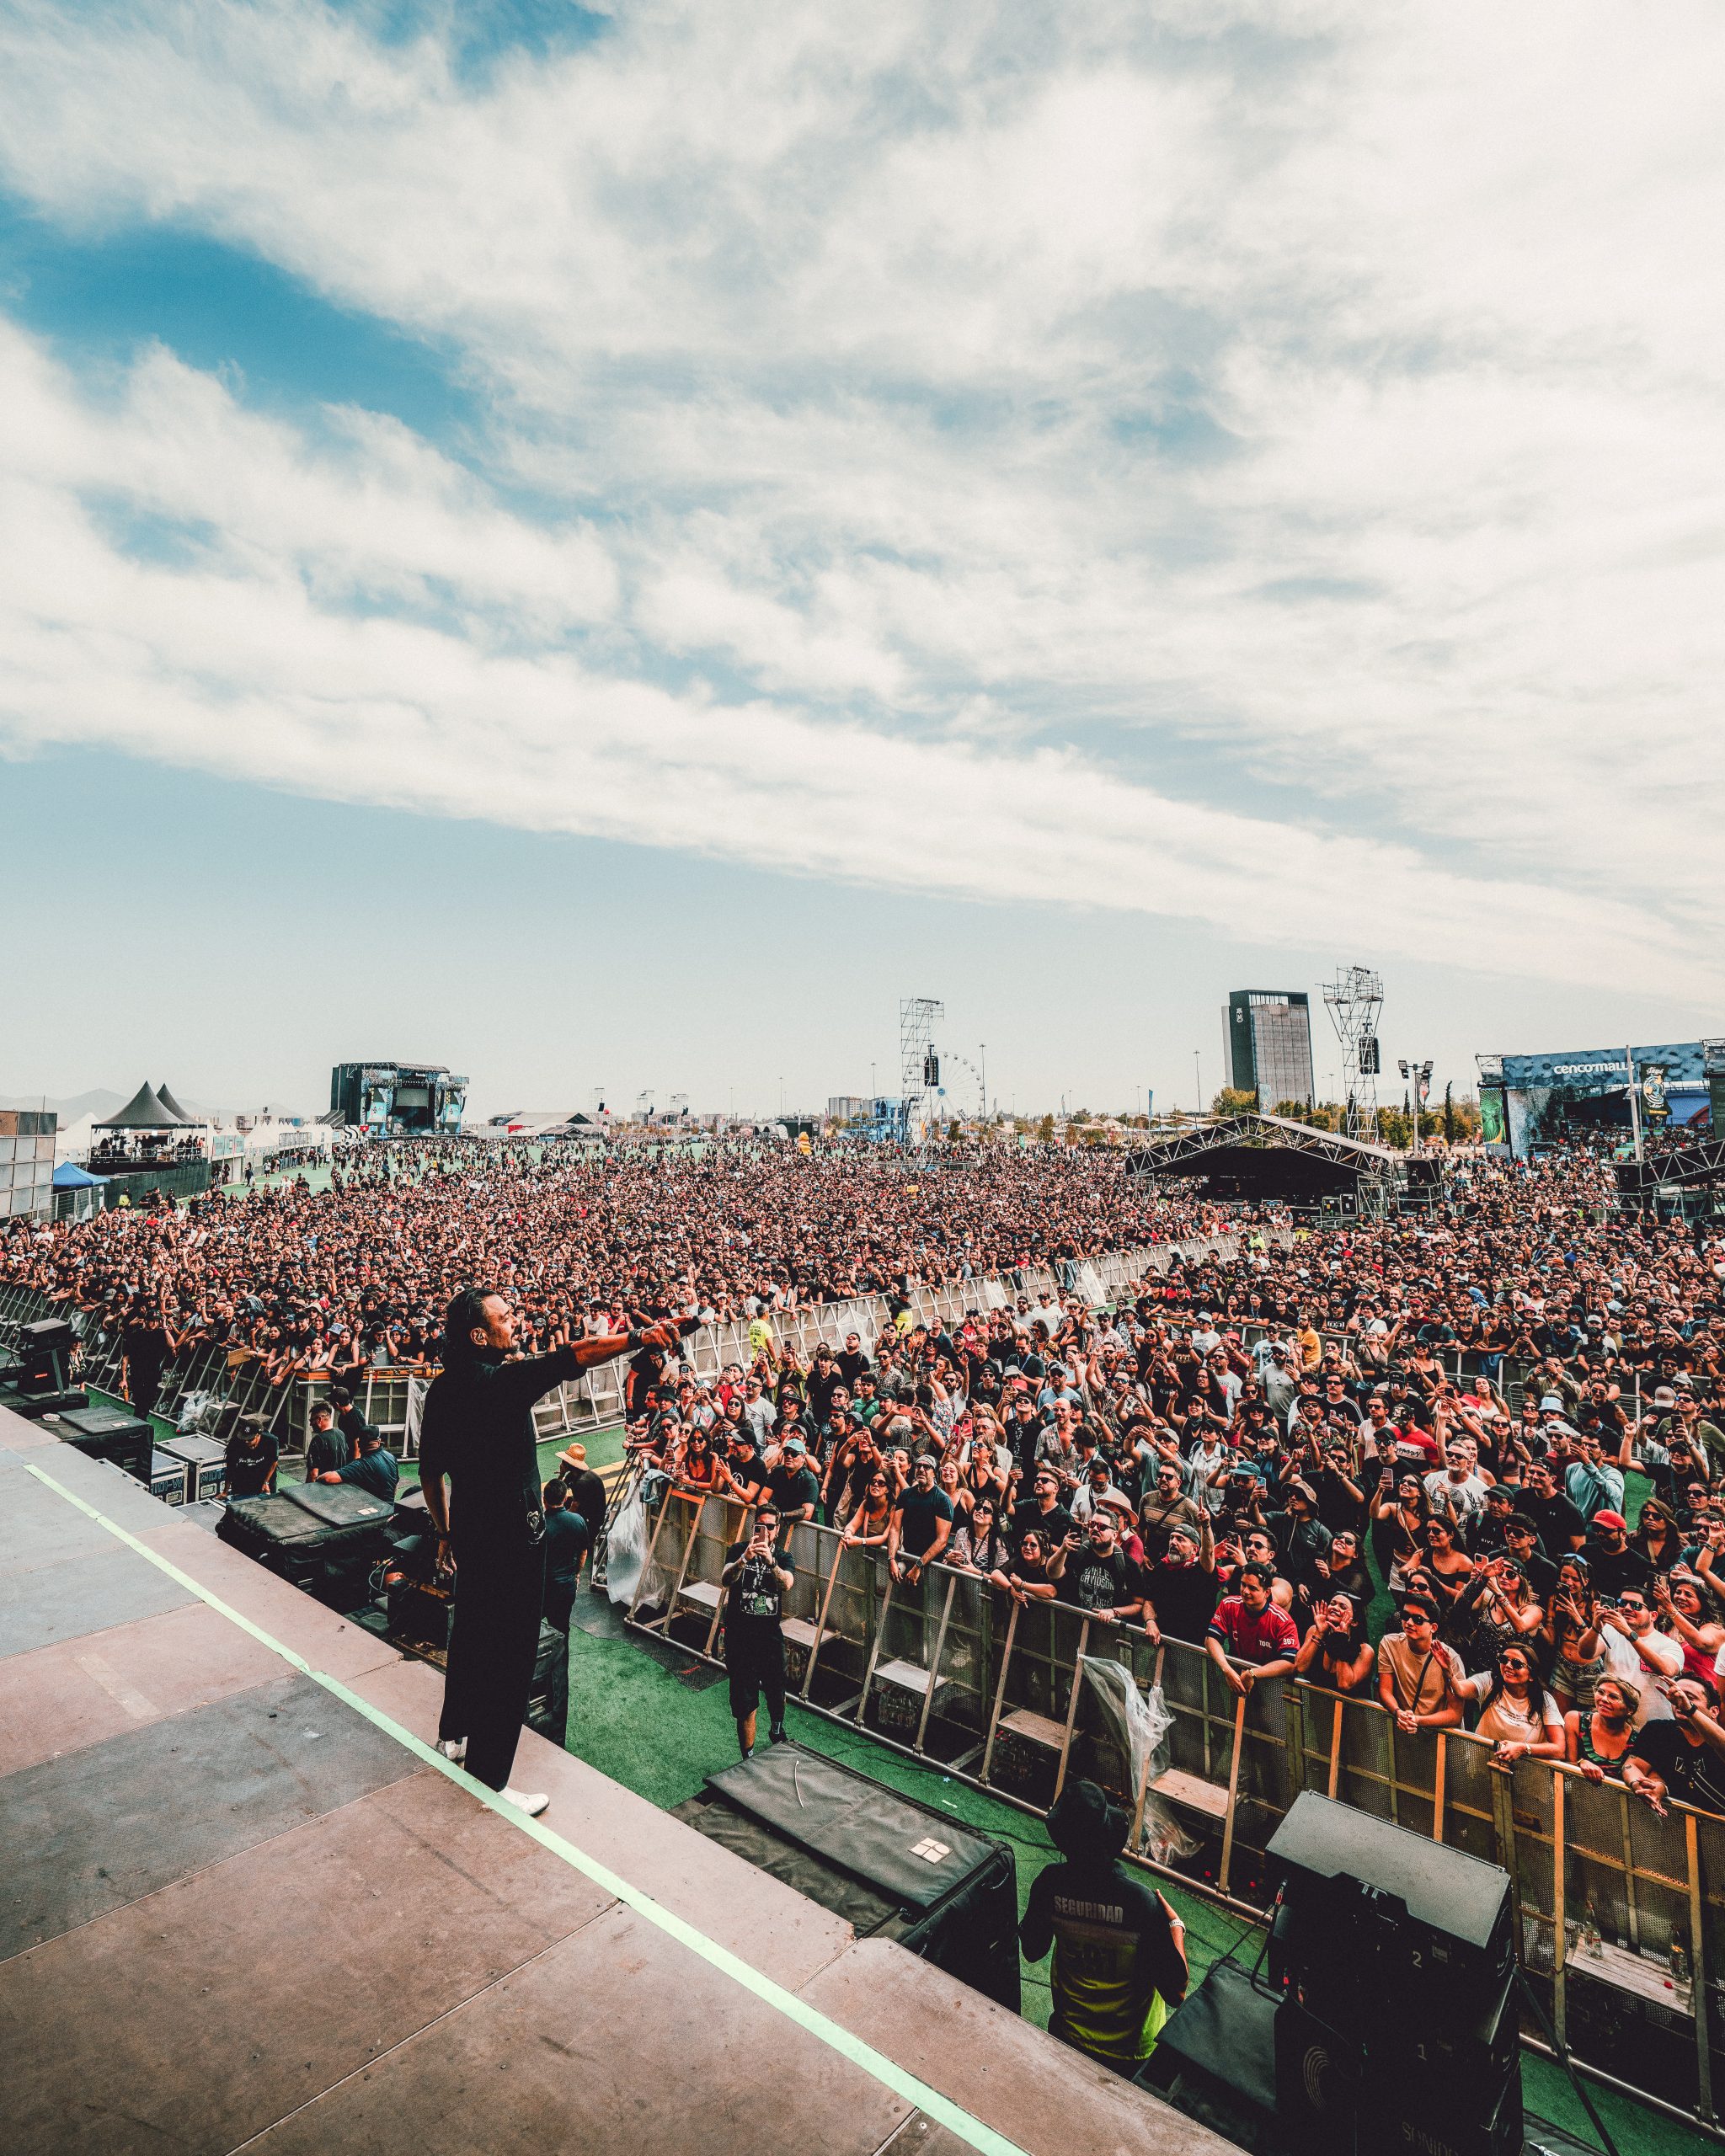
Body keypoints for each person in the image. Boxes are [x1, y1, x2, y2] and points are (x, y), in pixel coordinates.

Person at [418, 1286, 686, 1816]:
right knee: (512, 1658)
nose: (514, 1322)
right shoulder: (503, 1384)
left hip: (470, 1536)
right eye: (504, 1318)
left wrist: (446, 1535)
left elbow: (430, 1475)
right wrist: (640, 1336)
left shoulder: (443, 1390)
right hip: (515, 1544)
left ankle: (453, 1737)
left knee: (470, 1635)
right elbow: (574, 1356)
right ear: (479, 1335)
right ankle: (492, 1778)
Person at [1019, 1780, 1188, 2074]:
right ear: (1108, 1839)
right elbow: (1176, 1994)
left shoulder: (1050, 1884)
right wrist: (1175, 1927)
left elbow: (1033, 1951)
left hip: (1068, 2034)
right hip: (1129, 2054)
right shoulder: (1140, 1903)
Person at [721, 1502, 794, 1757]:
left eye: (770, 1527)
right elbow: (725, 1579)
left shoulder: (783, 1557)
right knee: (745, 1703)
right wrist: (744, 1560)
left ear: (777, 1530)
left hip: (769, 1638)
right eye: (760, 1526)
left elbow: (787, 1584)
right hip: (740, 1638)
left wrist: (771, 1563)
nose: (765, 1531)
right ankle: (748, 1758)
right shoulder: (738, 1550)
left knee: (777, 1690)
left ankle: (776, 1728)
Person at [1626, 1679, 1725, 1818]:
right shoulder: (1658, 1731)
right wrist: (1638, 1784)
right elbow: (1633, 1765)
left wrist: (1689, 1710)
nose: (1680, 1701)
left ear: (1714, 1711)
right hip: (1675, 1823)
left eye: (1689, 1697)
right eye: (1675, 1696)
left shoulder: (1719, 1740)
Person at [1205, 1564, 1300, 1697]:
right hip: (1236, 1679)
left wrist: (1253, 1673)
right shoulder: (1228, 1605)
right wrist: (1227, 1669)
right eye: (1243, 1584)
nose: (1245, 1591)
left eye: (1252, 1588)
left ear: (1267, 1593)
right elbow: (1211, 1639)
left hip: (1270, 1684)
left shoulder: (1282, 1620)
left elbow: (1290, 1663)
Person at [1375, 1596, 1465, 1735]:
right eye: (1405, 1616)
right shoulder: (1389, 1644)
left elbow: (1455, 1714)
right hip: (1405, 1729)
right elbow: (1385, 1690)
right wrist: (1398, 1713)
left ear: (1433, 1628)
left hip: (1440, 1735)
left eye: (1418, 1619)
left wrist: (1416, 1720)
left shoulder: (1450, 1658)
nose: (1409, 1623)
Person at [887, 1453, 954, 1584]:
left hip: (934, 1564)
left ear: (935, 1473)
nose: (921, 1469)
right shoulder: (906, 1494)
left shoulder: (942, 1499)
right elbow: (895, 1529)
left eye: (927, 1467)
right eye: (918, 1466)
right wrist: (892, 1559)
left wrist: (919, 1565)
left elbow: (942, 1540)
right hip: (909, 1557)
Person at [541, 1478, 590, 1629]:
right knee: (561, 1629)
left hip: (542, 1587)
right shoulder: (577, 1521)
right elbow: (583, 1552)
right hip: (566, 1588)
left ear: (544, 1500)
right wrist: (576, 1574)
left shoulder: (540, 1525)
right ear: (566, 1499)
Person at [315, 1423, 400, 1500]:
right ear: (379, 1441)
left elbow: (329, 1478)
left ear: (359, 1444)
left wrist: (317, 1478)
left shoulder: (361, 1465)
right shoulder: (391, 1457)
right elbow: (395, 1486)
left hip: (375, 1510)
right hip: (391, 1507)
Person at [223, 1412, 278, 1497]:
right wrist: (225, 1492)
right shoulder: (235, 1443)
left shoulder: (271, 1442)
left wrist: (266, 1482)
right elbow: (230, 1468)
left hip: (264, 1476)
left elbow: (274, 1463)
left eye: (250, 1439)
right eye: (244, 1438)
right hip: (244, 1477)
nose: (246, 1441)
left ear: (258, 1435)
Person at [303, 1400, 349, 1480]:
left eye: (312, 1420)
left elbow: (313, 1474)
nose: (310, 1424)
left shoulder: (318, 1440)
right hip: (340, 1482)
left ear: (319, 1419)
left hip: (323, 1485)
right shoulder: (341, 1433)